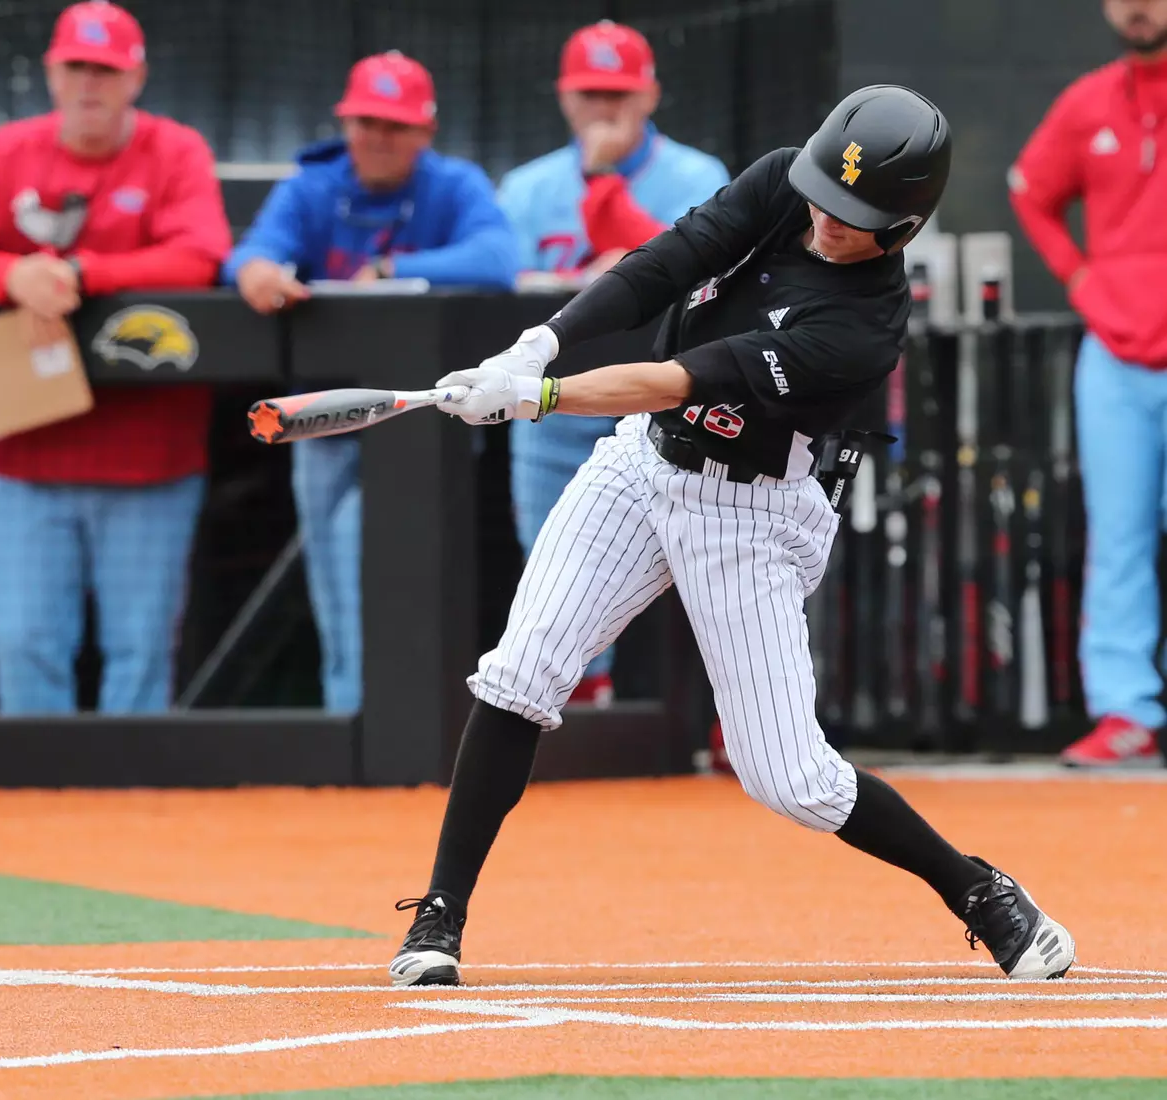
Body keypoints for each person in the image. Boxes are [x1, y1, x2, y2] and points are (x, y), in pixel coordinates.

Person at [387, 86, 1077, 988]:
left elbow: (682, 377)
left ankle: (977, 889)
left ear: (902, 228)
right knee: (520, 674)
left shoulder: (862, 328)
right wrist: (540, 344)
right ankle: (439, 917)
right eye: (823, 192)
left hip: (750, 515)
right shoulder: (786, 184)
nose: (825, 216)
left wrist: (539, 398)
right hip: (641, 465)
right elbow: (664, 264)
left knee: (793, 780)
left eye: (854, 215)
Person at [0, 0, 231, 715]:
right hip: (29, 453)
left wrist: (83, 272)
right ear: (51, 73)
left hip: (148, 457)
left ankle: (130, 787)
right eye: (77, 67)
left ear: (136, 78)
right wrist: (12, 276)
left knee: (139, 652)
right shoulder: (9, 150)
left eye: (106, 69)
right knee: (26, 645)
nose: (90, 83)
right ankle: (36, 785)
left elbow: (201, 255)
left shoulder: (175, 149)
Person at [224, 51, 516, 714]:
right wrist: (256, 271)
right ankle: (348, 722)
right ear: (346, 124)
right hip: (325, 417)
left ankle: (394, 725)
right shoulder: (313, 184)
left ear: (425, 131)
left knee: (378, 561)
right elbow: (250, 253)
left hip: (422, 420)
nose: (379, 138)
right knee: (332, 583)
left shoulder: (454, 184)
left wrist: (392, 270)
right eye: (367, 123)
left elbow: (499, 258)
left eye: (396, 125)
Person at [498, 21, 730, 709]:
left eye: (619, 93)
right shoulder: (527, 187)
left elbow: (698, 273)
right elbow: (494, 280)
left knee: (707, 573)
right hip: (554, 408)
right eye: (590, 93)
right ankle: (574, 716)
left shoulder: (698, 177)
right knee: (554, 576)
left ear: (650, 95)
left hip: (664, 404)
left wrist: (602, 182)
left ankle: (717, 726)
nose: (604, 108)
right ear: (564, 96)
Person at [1010, 0, 1167, 768]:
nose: (1137, 5)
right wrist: (1080, 278)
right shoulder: (1089, 100)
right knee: (1118, 535)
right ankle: (1126, 710)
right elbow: (1030, 191)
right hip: (1114, 352)